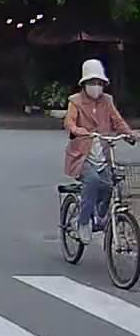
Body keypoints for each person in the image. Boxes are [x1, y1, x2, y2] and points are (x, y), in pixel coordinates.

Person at [64, 58, 136, 241]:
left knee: (109, 185)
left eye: (99, 83)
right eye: (92, 82)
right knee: (92, 181)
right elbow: (69, 122)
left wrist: (129, 134)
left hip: (103, 155)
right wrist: (77, 130)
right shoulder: (76, 101)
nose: (96, 87)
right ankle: (83, 222)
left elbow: (117, 121)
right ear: (84, 84)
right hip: (82, 157)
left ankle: (99, 216)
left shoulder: (107, 101)